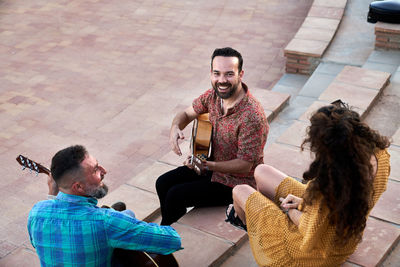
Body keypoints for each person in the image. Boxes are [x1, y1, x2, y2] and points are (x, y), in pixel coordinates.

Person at [230, 100, 391, 266]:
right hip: (344, 235)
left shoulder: (331, 185)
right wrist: (302, 201)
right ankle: (262, 222)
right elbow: (336, 208)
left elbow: (310, 230)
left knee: (239, 190)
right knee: (261, 171)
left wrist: (290, 212)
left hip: (313, 253)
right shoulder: (380, 155)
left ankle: (258, 230)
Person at [156, 47, 269, 225]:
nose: (222, 80)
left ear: (241, 74)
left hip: (236, 183)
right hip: (211, 168)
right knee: (162, 183)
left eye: (229, 74)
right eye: (217, 73)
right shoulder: (213, 97)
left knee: (175, 195)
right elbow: (186, 114)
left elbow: (245, 165)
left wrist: (207, 165)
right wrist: (175, 128)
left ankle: (165, 241)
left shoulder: (252, 116)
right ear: (211, 73)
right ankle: (171, 228)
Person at [28, 145, 182, 266]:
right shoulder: (105, 221)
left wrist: (52, 195)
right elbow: (172, 240)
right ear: (78, 187)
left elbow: (39, 245)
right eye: (95, 170)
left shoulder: (36, 213)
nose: (104, 171)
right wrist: (126, 220)